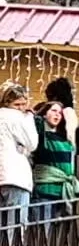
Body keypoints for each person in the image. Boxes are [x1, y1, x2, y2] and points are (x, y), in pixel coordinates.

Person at [30, 101, 78, 224]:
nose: (57, 115)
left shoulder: (65, 139)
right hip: (45, 191)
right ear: (45, 114)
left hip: (62, 193)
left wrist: (71, 121)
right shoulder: (41, 136)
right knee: (43, 232)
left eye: (60, 113)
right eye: (53, 111)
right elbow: (37, 123)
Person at [0, 83, 38, 227]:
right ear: (8, 103)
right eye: (17, 104)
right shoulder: (15, 117)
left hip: (3, 177)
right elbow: (32, 143)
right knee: (15, 229)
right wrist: (29, 117)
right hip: (15, 178)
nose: (21, 108)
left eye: (23, 104)